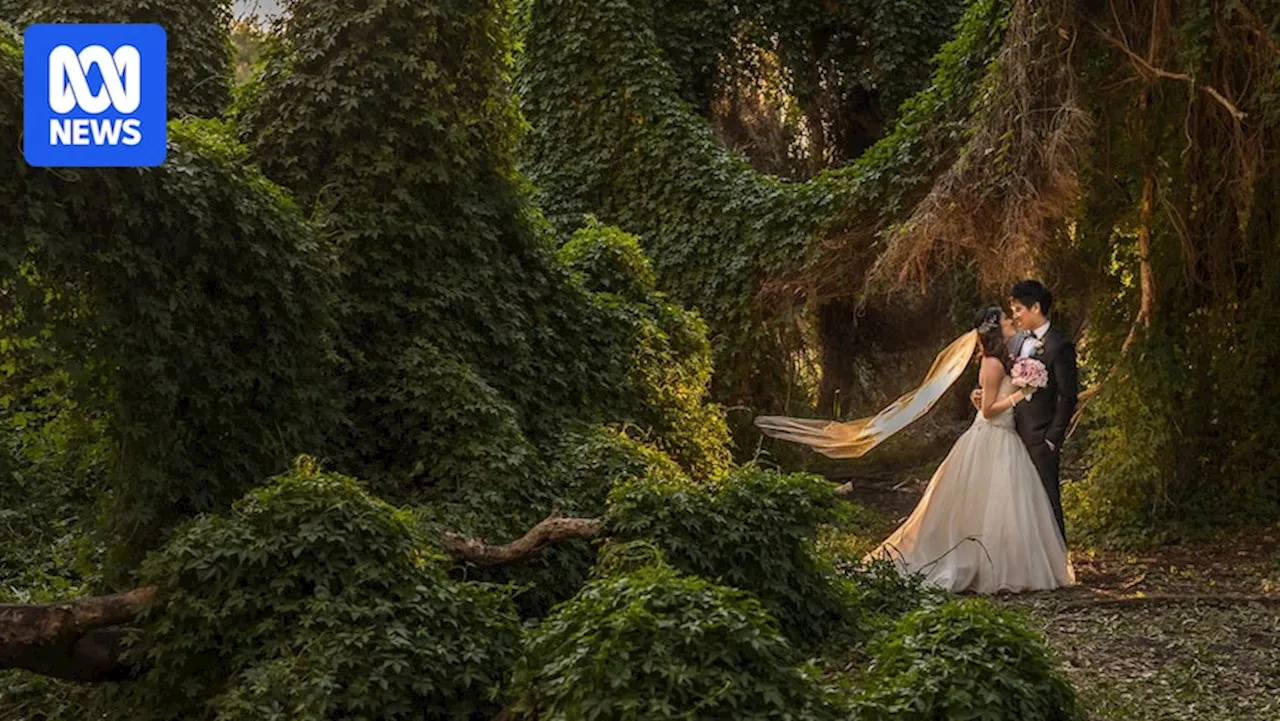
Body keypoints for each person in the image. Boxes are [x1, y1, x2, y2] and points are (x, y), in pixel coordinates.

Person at [864, 306, 1074, 594]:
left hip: (1006, 437)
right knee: (988, 503)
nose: (1011, 320)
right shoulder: (992, 362)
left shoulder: (1005, 358)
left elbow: (984, 398)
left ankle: (1009, 563)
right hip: (991, 436)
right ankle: (985, 564)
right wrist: (1019, 395)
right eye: (1005, 319)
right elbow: (988, 411)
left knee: (1007, 505)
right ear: (995, 329)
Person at [970, 279, 1078, 544]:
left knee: (1048, 499)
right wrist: (979, 394)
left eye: (1018, 309)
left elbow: (1067, 396)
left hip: (1040, 437)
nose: (1015, 316)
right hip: (1008, 433)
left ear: (1036, 307)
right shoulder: (1014, 342)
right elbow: (997, 376)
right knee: (1015, 503)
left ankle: (1058, 560)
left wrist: (1053, 437)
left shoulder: (1059, 346)